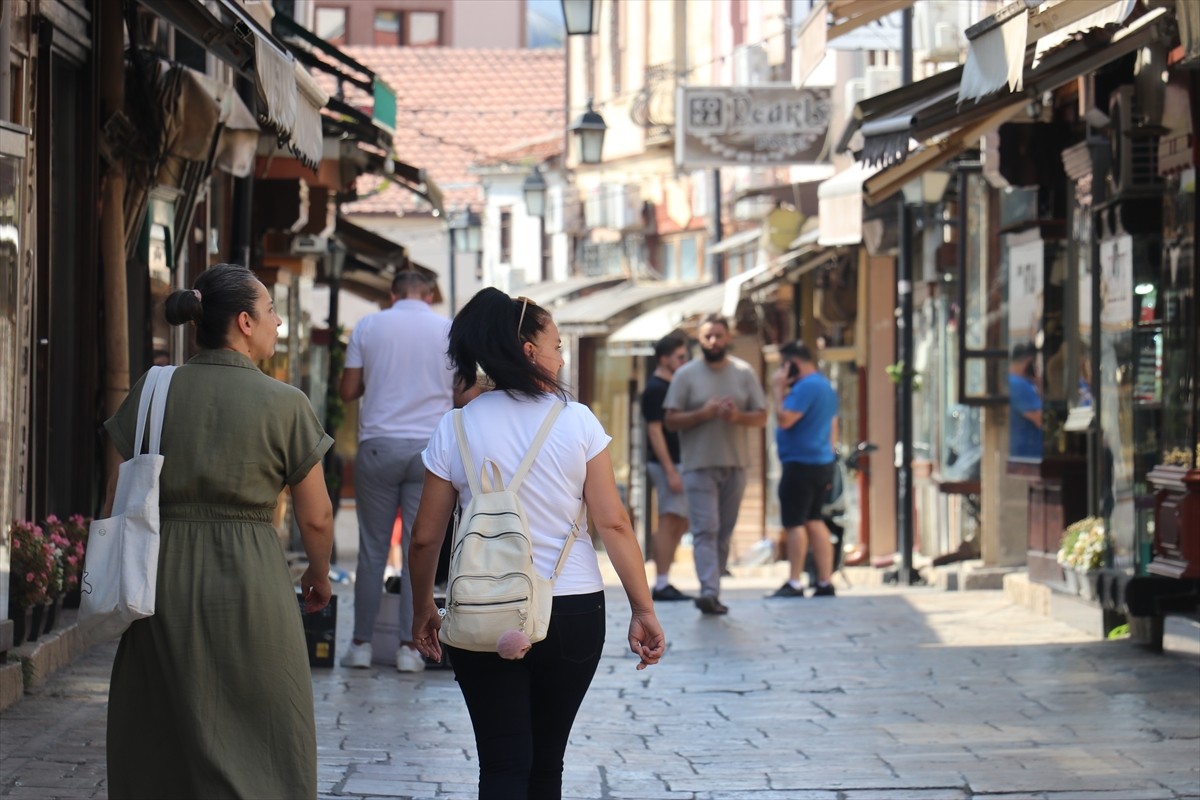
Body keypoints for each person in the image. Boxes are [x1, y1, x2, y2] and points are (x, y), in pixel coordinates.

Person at [407, 289, 665, 799]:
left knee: (501, 764)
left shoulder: (455, 425)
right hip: (571, 609)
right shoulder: (577, 421)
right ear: (529, 350)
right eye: (556, 344)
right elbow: (613, 525)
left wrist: (422, 608)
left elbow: (424, 538)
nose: (561, 356)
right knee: (546, 764)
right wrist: (643, 608)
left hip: (482, 610)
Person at [103, 264, 334, 798]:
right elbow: (317, 516)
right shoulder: (286, 404)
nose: (280, 322)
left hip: (157, 577)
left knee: (162, 724)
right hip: (251, 578)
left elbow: (115, 494)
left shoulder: (154, 389)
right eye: (273, 311)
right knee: (265, 721)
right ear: (246, 322)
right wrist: (318, 575)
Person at [339, 271, 458, 673]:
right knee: (418, 549)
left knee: (373, 550)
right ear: (430, 294)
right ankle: (411, 647)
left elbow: (348, 390)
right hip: (430, 449)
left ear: (392, 293)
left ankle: (361, 645)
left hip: (379, 445)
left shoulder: (369, 326)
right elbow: (460, 393)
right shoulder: (447, 330)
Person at [663, 314, 766, 615]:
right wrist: (703, 414)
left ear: (728, 337)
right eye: (707, 336)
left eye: (718, 336)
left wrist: (737, 417)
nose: (713, 342)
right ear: (699, 339)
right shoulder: (685, 375)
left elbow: (761, 416)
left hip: (735, 464)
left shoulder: (744, 372)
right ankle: (708, 589)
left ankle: (713, 587)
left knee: (724, 531)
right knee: (706, 528)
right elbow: (670, 419)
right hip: (698, 465)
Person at [769, 341, 839, 598]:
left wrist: (778, 390)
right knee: (814, 519)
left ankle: (795, 581)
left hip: (800, 462)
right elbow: (834, 427)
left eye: (783, 366)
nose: (781, 372)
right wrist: (830, 461)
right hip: (821, 461)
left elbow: (785, 419)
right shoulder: (825, 387)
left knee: (795, 522)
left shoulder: (805, 387)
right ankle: (824, 580)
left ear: (793, 364)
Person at [642, 333, 691, 601]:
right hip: (667, 464)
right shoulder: (655, 389)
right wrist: (670, 469)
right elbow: (655, 432)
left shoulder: (676, 385)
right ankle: (661, 583)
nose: (684, 361)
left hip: (681, 462)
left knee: (680, 520)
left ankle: (665, 579)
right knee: (669, 519)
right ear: (664, 359)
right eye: (680, 357)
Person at [1008, 341, 1043, 459]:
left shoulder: (1013, 382)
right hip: (1028, 454)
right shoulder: (1020, 385)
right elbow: (1040, 419)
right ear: (1029, 362)